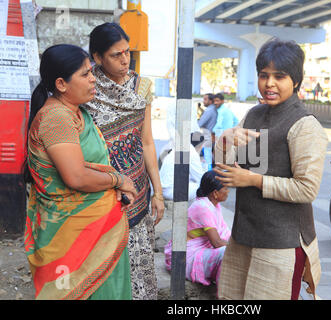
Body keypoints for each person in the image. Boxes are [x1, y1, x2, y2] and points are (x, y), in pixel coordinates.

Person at [213, 39, 328, 300]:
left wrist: (254, 180)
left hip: (282, 243)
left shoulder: (305, 125)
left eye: (280, 76)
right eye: (264, 75)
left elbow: (306, 189)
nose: (269, 84)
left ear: (296, 81)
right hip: (244, 236)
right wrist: (224, 140)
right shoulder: (253, 115)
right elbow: (226, 171)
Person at [24, 44, 137, 300]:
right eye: (85, 74)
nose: (93, 78)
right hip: (73, 240)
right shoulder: (56, 118)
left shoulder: (78, 113)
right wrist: (119, 180)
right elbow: (76, 177)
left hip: (101, 234)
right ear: (62, 84)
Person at [82, 22, 164, 300]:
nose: (125, 59)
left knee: (140, 263)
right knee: (106, 265)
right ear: (97, 58)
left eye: (128, 52)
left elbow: (147, 142)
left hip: (138, 191)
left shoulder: (142, 87)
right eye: (116, 55)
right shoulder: (86, 88)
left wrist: (159, 193)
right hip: (101, 193)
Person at [164, 170, 231, 286]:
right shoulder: (203, 207)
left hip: (199, 250)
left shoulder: (214, 205)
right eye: (225, 188)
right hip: (186, 258)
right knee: (226, 252)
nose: (228, 191)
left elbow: (225, 233)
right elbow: (216, 242)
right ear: (215, 193)